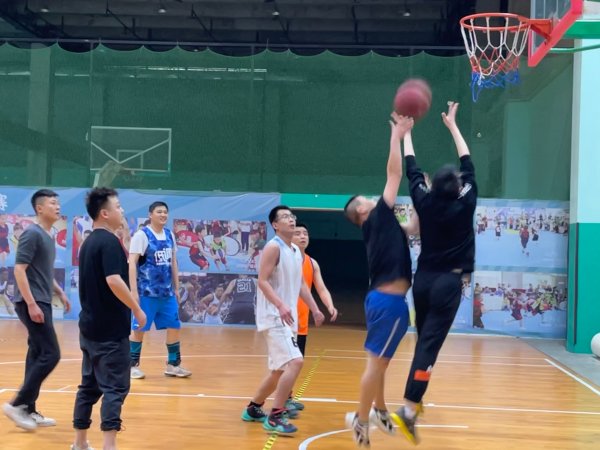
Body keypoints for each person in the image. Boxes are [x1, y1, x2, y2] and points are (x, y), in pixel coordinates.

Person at [392, 101, 477, 444]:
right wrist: (452, 125)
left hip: (423, 281)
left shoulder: (424, 202)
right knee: (429, 345)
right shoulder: (466, 202)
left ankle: (416, 395)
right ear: (457, 186)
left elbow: (412, 169)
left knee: (423, 340)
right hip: (447, 283)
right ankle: (408, 408)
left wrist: (406, 134)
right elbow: (467, 161)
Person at [342, 113, 418, 447]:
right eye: (366, 200)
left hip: (387, 302)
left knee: (381, 363)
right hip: (388, 304)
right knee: (375, 366)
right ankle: (360, 421)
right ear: (362, 211)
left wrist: (422, 197)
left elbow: (413, 228)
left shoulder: (384, 226)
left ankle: (380, 409)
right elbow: (394, 173)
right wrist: (396, 136)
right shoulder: (377, 217)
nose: (372, 198)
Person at [72, 187, 147, 450]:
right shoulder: (108, 242)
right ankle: (109, 445)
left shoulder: (90, 242)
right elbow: (114, 280)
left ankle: (80, 443)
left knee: (89, 387)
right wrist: (136, 309)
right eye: (118, 206)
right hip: (109, 332)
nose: (122, 210)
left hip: (89, 328)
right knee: (115, 388)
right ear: (104, 213)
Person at [241, 205, 325, 435]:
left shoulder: (295, 251)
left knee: (278, 370)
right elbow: (262, 281)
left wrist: (315, 309)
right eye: (285, 217)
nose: (291, 219)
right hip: (274, 316)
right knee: (295, 362)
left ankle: (254, 408)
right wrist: (280, 305)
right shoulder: (273, 247)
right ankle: (275, 416)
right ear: (275, 225)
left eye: (292, 216)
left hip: (289, 318)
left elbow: (301, 284)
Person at [2, 189, 70, 431]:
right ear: (39, 208)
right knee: (51, 354)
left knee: (37, 354)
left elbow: (43, 272)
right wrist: (31, 303)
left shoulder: (48, 236)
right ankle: (16, 405)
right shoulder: (32, 234)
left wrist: (60, 292)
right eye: (52, 203)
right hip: (31, 302)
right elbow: (19, 270)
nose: (57, 206)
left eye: (58, 203)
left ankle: (28, 409)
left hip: (42, 300)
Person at [129, 201, 191, 379]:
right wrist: (133, 291)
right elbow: (132, 263)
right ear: (150, 215)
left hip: (167, 294)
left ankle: (173, 365)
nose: (163, 214)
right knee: (139, 329)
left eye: (165, 212)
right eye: (159, 212)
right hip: (146, 294)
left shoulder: (170, 235)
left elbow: (173, 263)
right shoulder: (142, 235)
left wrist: (177, 288)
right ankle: (131, 366)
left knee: (174, 326)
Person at [291, 222, 338, 356]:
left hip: (301, 323)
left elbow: (321, 289)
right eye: (298, 234)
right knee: (285, 364)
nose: (302, 237)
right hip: (283, 322)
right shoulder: (282, 259)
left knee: (297, 363)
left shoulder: (312, 263)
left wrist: (330, 305)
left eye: (305, 234)